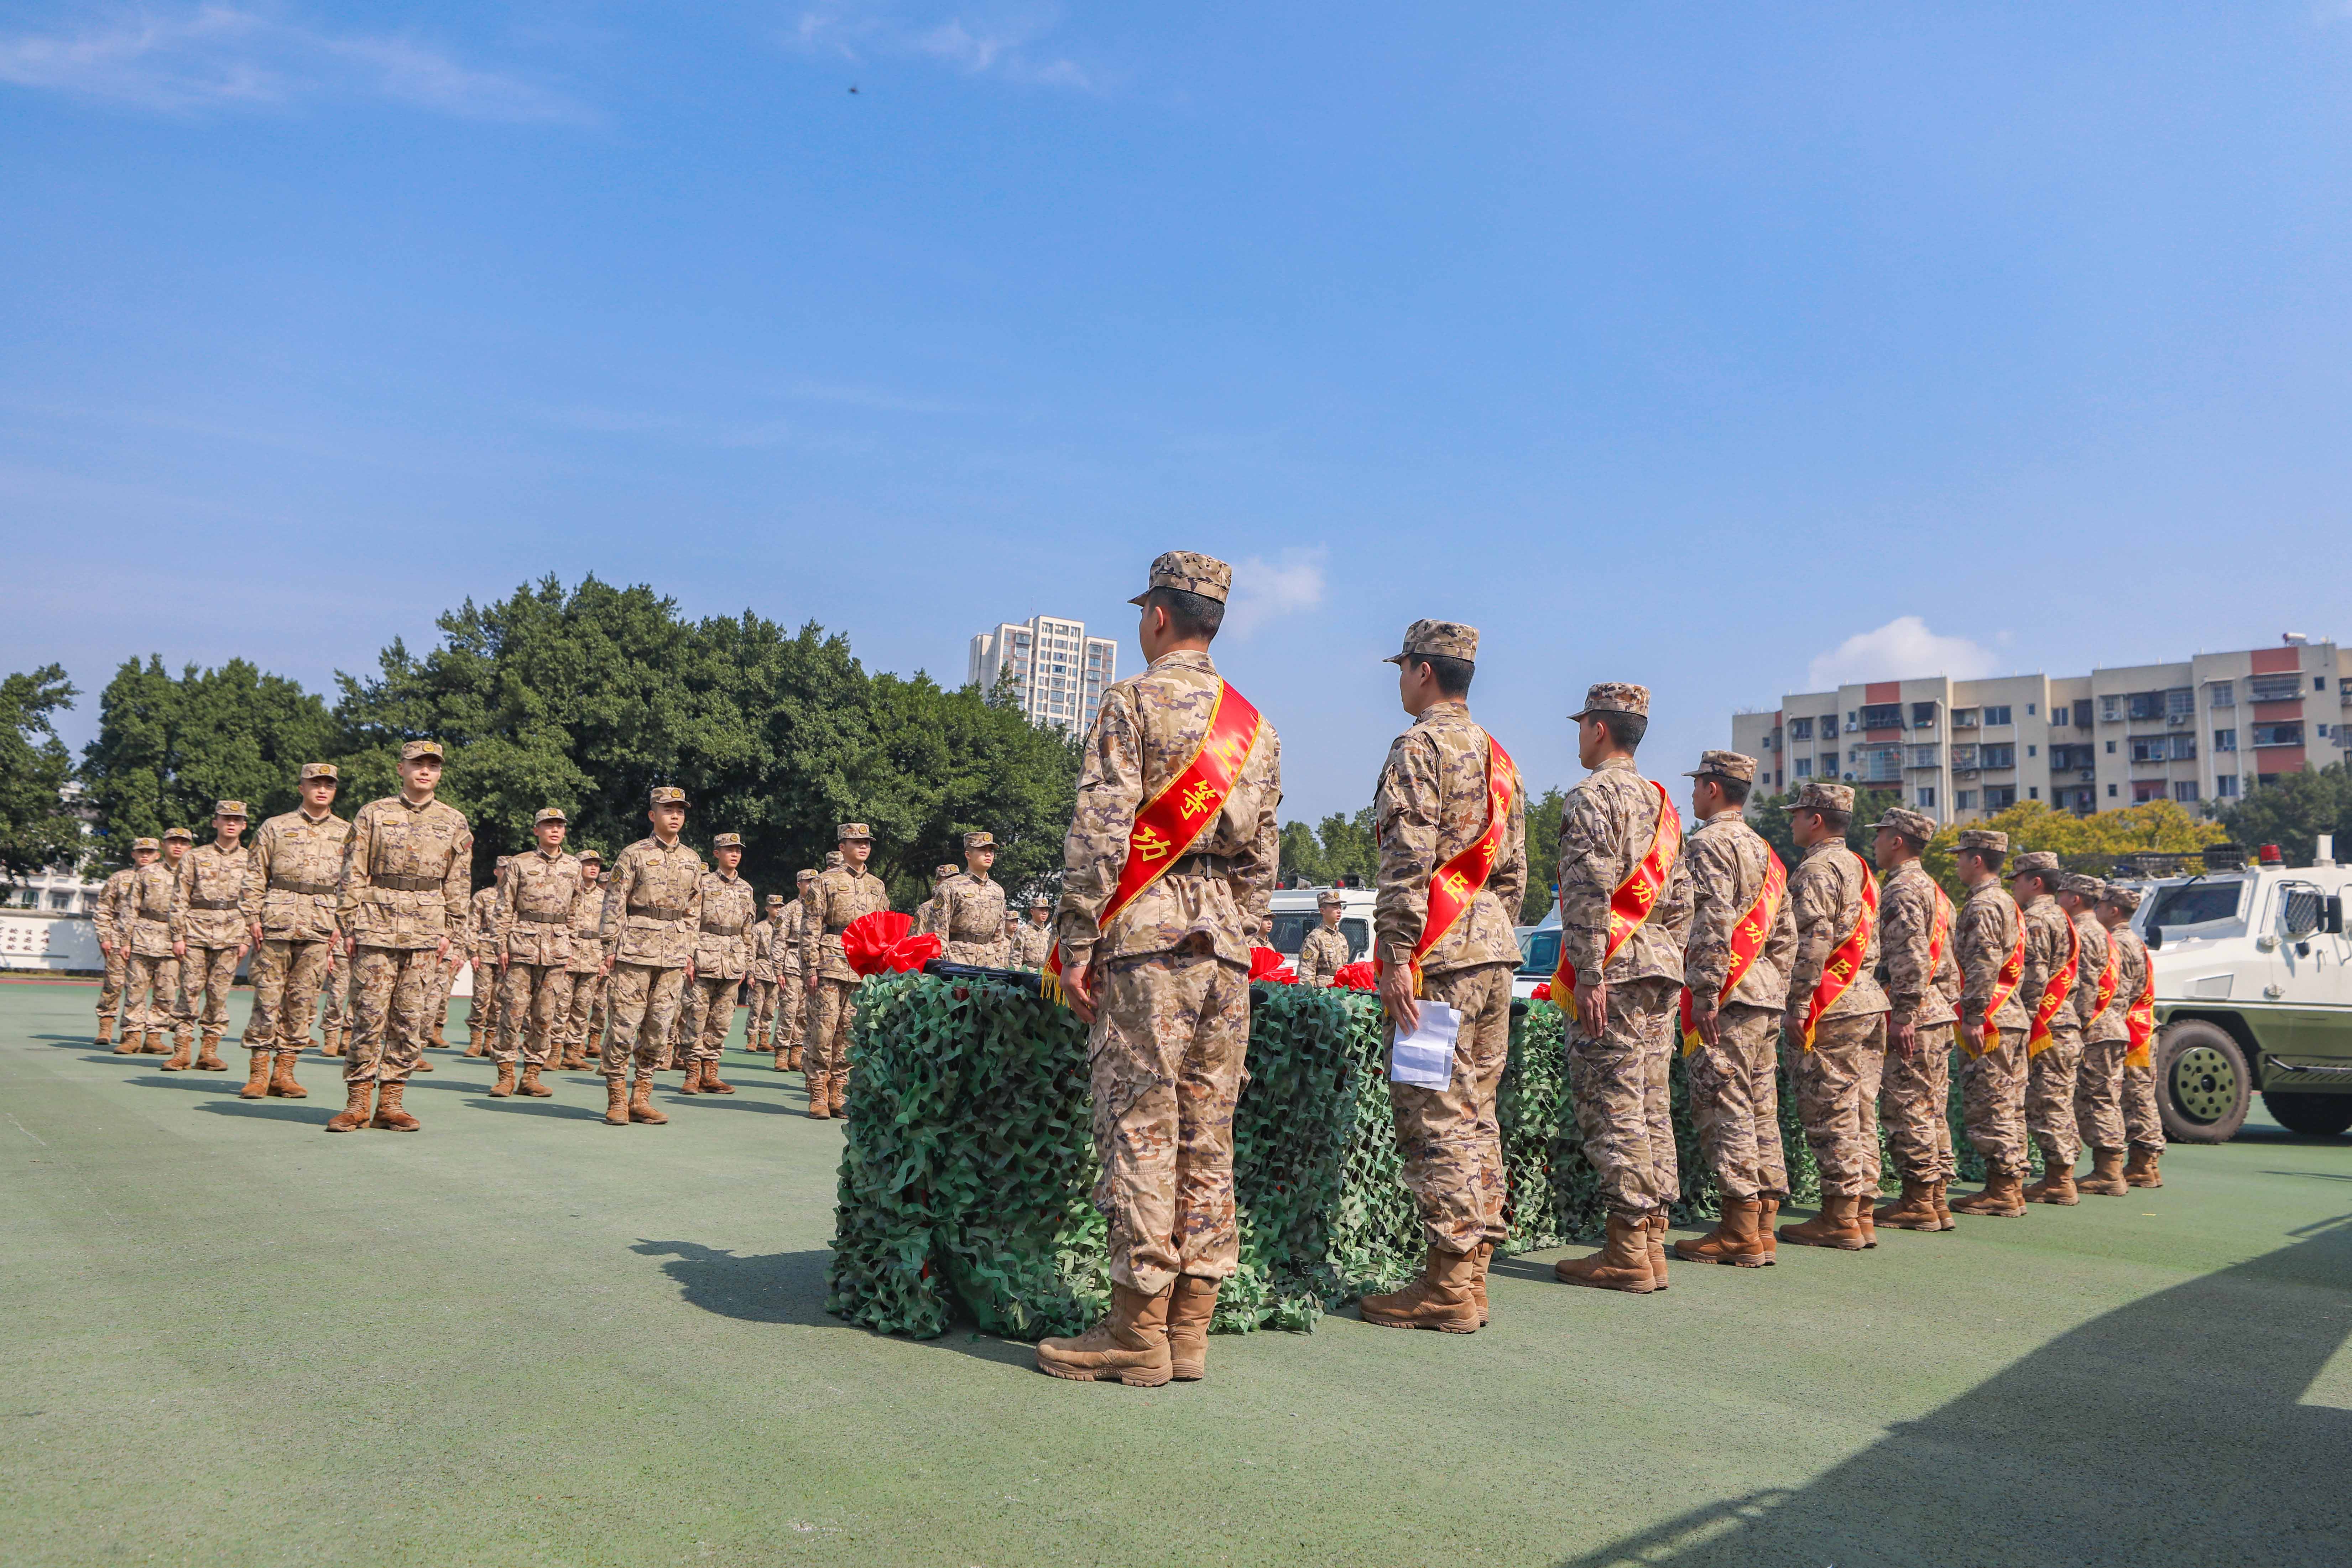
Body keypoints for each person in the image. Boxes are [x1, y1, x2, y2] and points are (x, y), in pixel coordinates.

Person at [1035, 551, 1281, 1387]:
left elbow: (1102, 829)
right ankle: (1188, 1332)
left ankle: (1134, 1329)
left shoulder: (1132, 701)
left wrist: (1076, 940)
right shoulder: (1254, 725)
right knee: (1208, 1133)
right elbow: (1263, 860)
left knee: (1141, 1125)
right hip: (1228, 951)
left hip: (1147, 940)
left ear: (1158, 618)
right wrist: (1238, 931)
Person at [1357, 620, 1524, 1333]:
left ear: (1423, 671)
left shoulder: (1418, 745)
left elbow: (1407, 858)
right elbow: (1511, 869)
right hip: (1491, 949)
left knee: (1434, 1110)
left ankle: (1447, 1283)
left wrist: (1396, 953)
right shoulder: (1498, 756)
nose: (1398, 679)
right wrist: (1489, 931)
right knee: (1477, 1109)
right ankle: (1472, 1273)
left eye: (1402, 667)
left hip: (1437, 956)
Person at [1549, 684, 1691, 1294]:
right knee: (1651, 1101)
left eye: (1583, 725)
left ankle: (1627, 1246)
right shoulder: (1664, 805)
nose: (1579, 735)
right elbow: (1683, 899)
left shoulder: (1591, 797)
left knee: (1612, 1104)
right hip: (1660, 963)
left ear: (1600, 729)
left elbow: (1585, 892)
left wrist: (1589, 971)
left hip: (1615, 964)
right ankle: (1652, 1238)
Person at [1672, 751, 1796, 1268]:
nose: (1694, 793)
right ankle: (1762, 1223)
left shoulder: (1708, 844)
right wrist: (1776, 985)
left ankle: (1739, 1228)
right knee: (1760, 1108)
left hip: (1728, 994)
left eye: (1698, 784)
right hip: (1763, 990)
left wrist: (1704, 990)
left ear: (1712, 787)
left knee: (1725, 1108)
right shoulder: (1766, 851)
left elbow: (1711, 922)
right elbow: (1785, 933)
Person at [330, 740, 472, 1132]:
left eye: (432, 765)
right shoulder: (373, 813)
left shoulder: (454, 821)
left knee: (410, 1018)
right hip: (375, 924)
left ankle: (391, 1102)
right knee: (369, 1015)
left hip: (427, 928)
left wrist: (452, 933)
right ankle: (357, 1101)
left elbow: (458, 882)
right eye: (417, 764)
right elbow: (353, 871)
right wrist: (348, 924)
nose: (424, 771)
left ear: (440, 772)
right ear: (401, 768)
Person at [1776, 781, 1890, 1252]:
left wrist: (1800, 1000)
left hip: (1833, 1000)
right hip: (1865, 996)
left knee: (1831, 1107)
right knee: (1861, 1106)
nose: (1792, 821)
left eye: (1798, 814)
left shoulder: (1818, 868)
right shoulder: (1859, 866)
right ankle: (1860, 1209)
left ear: (1816, 819)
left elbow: (1814, 938)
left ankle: (1839, 1215)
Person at [1868, 806, 1961, 1233]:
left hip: (1916, 1012)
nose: (1874, 842)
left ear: (1897, 840)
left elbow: (1908, 957)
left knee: (1908, 1107)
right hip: (1937, 1008)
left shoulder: (1902, 888)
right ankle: (1936, 1197)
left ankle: (1917, 1200)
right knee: (1931, 1107)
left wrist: (1903, 1013)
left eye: (1880, 834)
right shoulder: (1934, 889)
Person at [240, 764, 350, 1100]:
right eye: (314, 784)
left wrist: (342, 924)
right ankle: (258, 1072)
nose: (322, 790)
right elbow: (255, 873)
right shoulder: (275, 826)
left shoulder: (349, 832)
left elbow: (352, 881)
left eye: (328, 785)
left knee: (302, 1001)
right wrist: (251, 917)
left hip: (321, 922)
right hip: (276, 919)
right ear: (301, 787)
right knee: (267, 998)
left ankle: (284, 1072)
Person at [599, 787, 704, 1127]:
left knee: (660, 1030)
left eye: (680, 810)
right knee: (623, 1027)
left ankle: (641, 1097)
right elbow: (615, 901)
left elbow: (693, 909)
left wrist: (689, 951)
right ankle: (616, 1097)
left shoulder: (692, 859)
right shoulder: (633, 854)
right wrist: (608, 948)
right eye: (667, 809)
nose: (675, 815)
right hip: (634, 950)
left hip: (673, 953)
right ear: (652, 815)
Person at [1949, 830, 2032, 1217]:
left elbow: (1982, 963)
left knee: (1991, 1104)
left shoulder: (1983, 905)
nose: (1957, 863)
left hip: (1991, 1018)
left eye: (1960, 856)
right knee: (2009, 1103)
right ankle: (2010, 1186)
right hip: (2010, 1015)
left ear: (1976, 860)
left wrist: (1974, 1014)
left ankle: (2001, 1189)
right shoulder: (2007, 901)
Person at [492, 808, 586, 1099]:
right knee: (512, 1012)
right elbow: (504, 906)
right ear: (536, 830)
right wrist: (501, 945)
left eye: (559, 826)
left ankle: (531, 1075)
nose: (554, 830)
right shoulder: (519, 863)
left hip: (557, 947)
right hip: (522, 945)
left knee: (546, 1015)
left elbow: (576, 909)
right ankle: (506, 1075)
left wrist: (571, 943)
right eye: (548, 825)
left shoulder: (573, 866)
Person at [2010, 850, 2083, 1205]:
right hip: (2063, 1020)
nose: (2014, 887)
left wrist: (2023, 1022)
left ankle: (2058, 1181)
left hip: (2046, 1023)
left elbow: (2034, 979)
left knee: (2046, 1102)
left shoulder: (2037, 919)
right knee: (2058, 1101)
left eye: (2017, 879)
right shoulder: (2063, 917)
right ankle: (2061, 1175)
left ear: (2034, 882)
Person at [802, 824, 889, 1119]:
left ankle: (838, 1090)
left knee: (850, 1033)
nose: (863, 847)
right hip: (830, 961)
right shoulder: (825, 882)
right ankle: (817, 1092)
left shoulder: (877, 885)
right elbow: (811, 925)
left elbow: (882, 928)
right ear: (842, 847)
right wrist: (809, 966)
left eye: (866, 843)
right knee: (823, 1032)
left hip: (862, 965)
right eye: (856, 842)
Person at [166, 801, 251, 1074]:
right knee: (189, 992)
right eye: (225, 818)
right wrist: (177, 935)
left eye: (237, 819)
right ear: (215, 822)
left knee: (219, 995)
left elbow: (254, 902)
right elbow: (179, 898)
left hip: (232, 932)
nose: (231, 823)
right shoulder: (194, 857)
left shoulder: (251, 860)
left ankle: (209, 1051)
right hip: (196, 932)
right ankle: (181, 1050)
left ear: (244, 825)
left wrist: (247, 938)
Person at [2062, 873, 2130, 1197]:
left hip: (2096, 1028)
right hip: (2111, 1024)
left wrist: (2080, 1022)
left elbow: (2087, 983)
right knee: (2104, 1097)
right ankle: (2109, 1168)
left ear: (2074, 898)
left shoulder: (2084, 931)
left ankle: (2108, 1173)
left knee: (2096, 1098)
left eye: (2062, 893)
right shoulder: (2100, 932)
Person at [679, 832, 755, 1096]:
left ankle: (710, 1074)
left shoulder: (747, 889)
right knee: (696, 1017)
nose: (734, 854)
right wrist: (688, 956)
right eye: (728, 849)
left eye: (738, 850)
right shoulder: (702, 883)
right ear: (716, 854)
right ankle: (691, 1073)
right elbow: (690, 921)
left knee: (721, 1022)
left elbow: (748, 929)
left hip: (733, 959)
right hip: (704, 955)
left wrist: (748, 962)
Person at [2101, 883, 2164, 1188]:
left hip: (2128, 1027)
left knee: (2134, 1096)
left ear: (2113, 910)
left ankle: (2143, 1164)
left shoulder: (2118, 942)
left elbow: (2119, 990)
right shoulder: (2133, 940)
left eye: (2100, 905)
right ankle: (2147, 1163)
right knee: (2141, 1094)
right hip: (2139, 1025)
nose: (2095, 910)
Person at [108, 835, 184, 1056]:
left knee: (166, 992)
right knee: (136, 990)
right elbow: (131, 908)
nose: (178, 846)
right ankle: (132, 1036)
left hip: (173, 939)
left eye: (183, 843)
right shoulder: (147, 873)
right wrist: (125, 940)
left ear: (189, 847)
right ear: (164, 846)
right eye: (173, 842)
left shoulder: (192, 874)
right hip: (144, 935)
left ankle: (155, 1037)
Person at [557, 848, 607, 1070]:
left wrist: (605, 960)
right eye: (589, 864)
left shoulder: (606, 898)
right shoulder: (567, 891)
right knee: (560, 1007)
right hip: (568, 955)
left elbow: (610, 931)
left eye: (597, 864)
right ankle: (553, 1052)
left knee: (581, 1009)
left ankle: (572, 1053)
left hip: (593, 958)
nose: (594, 867)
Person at [936, 832, 1012, 965]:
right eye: (982, 850)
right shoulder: (951, 887)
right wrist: (940, 963)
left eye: (991, 851)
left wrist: (999, 961)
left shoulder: (998, 891)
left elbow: (1000, 934)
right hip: (957, 959)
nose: (988, 855)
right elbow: (938, 931)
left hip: (989, 962)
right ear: (968, 855)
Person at [462, 861, 511, 1057]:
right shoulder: (483, 896)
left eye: (510, 869)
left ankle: (490, 1040)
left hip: (506, 954)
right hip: (484, 950)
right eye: (503, 869)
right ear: (496, 871)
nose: (506, 872)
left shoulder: (515, 898)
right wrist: (473, 952)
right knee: (481, 998)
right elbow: (472, 927)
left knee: (500, 999)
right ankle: (475, 1040)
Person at [92, 858, 139, 1048]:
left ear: (158, 855)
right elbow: (104, 909)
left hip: (149, 937)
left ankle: (133, 1033)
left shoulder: (164, 877)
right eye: (141, 852)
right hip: (118, 936)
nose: (146, 855)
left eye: (150, 852)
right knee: (114, 983)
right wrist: (104, 937)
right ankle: (106, 1026)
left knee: (140, 989)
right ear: (134, 854)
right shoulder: (120, 878)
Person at [772, 869, 815, 1071]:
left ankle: (796, 1053)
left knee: (804, 1014)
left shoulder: (819, 909)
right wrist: (778, 970)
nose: (811, 885)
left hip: (812, 967)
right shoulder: (789, 910)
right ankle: (781, 1052)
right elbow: (779, 941)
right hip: (791, 965)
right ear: (799, 884)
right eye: (808, 882)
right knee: (789, 1010)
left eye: (814, 881)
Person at [746, 894, 788, 1054]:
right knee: (756, 1007)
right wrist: (750, 974)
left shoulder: (783, 928)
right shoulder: (759, 928)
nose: (778, 909)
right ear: (767, 908)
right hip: (760, 970)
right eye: (775, 906)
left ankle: (764, 1038)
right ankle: (751, 1038)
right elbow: (752, 953)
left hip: (777, 972)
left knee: (770, 1008)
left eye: (780, 906)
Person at [1294, 891, 1353, 988]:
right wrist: (1307, 995)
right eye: (1335, 908)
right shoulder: (1315, 937)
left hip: (1341, 987)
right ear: (1323, 911)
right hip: (1323, 990)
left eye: (1340, 907)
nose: (1339, 911)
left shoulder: (1341, 938)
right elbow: (1307, 970)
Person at [1009, 895, 1053, 970]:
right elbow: (1016, 957)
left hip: (1044, 973)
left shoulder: (1048, 935)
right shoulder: (1023, 932)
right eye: (1041, 910)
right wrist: (1016, 975)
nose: (1045, 913)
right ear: (1032, 912)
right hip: (1027, 973)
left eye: (1047, 911)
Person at [913, 864, 958, 937]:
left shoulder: (962, 908)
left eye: (956, 879)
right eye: (949, 880)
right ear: (938, 884)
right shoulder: (926, 909)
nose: (953, 884)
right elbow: (916, 939)